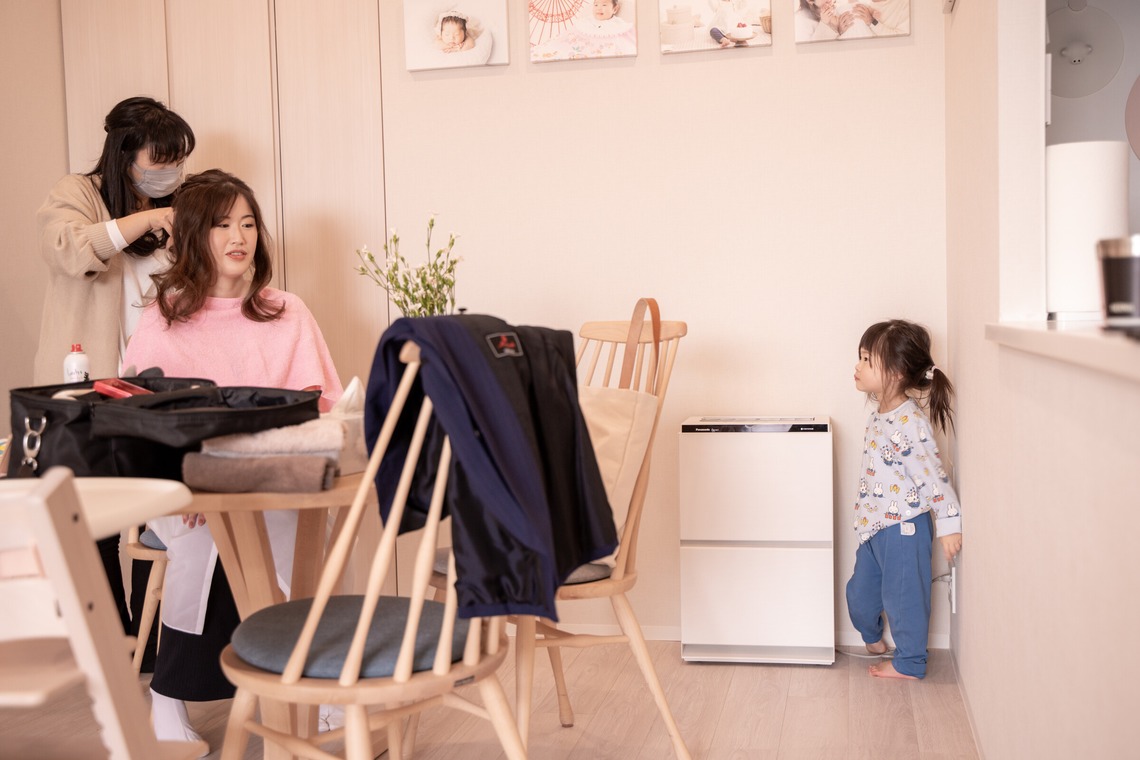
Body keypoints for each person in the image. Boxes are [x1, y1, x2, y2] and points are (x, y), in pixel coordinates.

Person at [123, 169, 342, 746]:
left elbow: (324, 409)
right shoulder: (163, 318)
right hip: (186, 485)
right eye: (222, 224)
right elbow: (141, 425)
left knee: (293, 535)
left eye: (247, 223)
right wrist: (190, 488)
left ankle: (304, 684)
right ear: (195, 235)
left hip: (272, 479)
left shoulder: (286, 311)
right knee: (202, 540)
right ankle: (169, 699)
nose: (238, 235)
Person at [34, 95, 195, 651]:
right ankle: (114, 638)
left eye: (179, 159)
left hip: (156, 384)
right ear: (124, 154)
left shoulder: (178, 204)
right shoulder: (76, 195)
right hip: (88, 379)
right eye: (161, 157)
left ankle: (154, 643)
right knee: (95, 516)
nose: (171, 170)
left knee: (160, 511)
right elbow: (69, 249)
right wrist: (148, 218)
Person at [846, 319, 962, 680]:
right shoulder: (880, 415)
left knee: (905, 599)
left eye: (867, 359)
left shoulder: (909, 421)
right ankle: (873, 638)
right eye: (860, 358)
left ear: (895, 372)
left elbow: (933, 475)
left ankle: (910, 663)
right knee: (859, 595)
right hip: (874, 527)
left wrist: (948, 523)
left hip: (904, 528)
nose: (858, 366)